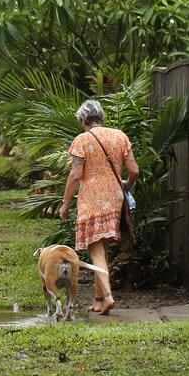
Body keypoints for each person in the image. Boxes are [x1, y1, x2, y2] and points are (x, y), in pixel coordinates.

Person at [57, 99, 138, 315]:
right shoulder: (119, 136)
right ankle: (98, 299)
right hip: (115, 197)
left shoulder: (82, 140)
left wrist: (65, 203)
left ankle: (108, 296)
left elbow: (75, 175)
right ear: (101, 117)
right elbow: (134, 170)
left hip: (91, 199)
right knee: (102, 250)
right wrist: (125, 187)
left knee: (95, 249)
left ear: (83, 119)